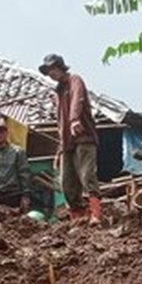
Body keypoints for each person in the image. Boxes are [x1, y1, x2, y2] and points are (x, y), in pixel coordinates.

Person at [39, 54, 100, 224]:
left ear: (61, 67)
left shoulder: (75, 80)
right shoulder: (58, 92)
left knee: (87, 175)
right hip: (67, 143)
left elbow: (77, 99)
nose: (51, 73)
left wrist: (74, 119)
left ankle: (95, 215)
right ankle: (78, 217)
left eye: (53, 69)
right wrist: (59, 150)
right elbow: (60, 125)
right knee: (66, 182)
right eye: (48, 71)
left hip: (83, 137)